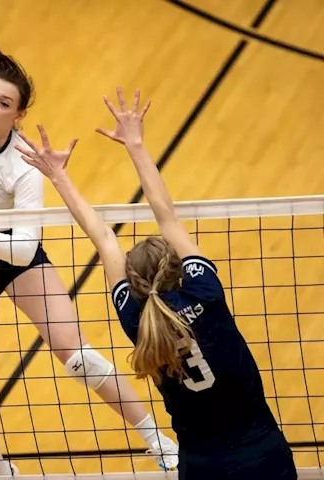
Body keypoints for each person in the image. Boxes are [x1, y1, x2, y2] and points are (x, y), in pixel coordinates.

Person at [0, 46, 179, 474]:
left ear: (17, 115)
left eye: (4, 104)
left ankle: (157, 440)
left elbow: (21, 249)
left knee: (76, 355)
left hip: (13, 257)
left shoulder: (24, 164)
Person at [16, 86, 297, 479]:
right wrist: (136, 145)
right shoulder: (206, 292)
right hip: (264, 456)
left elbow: (103, 238)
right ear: (178, 268)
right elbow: (167, 217)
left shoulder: (137, 320)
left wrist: (58, 175)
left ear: (132, 284)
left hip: (201, 467)